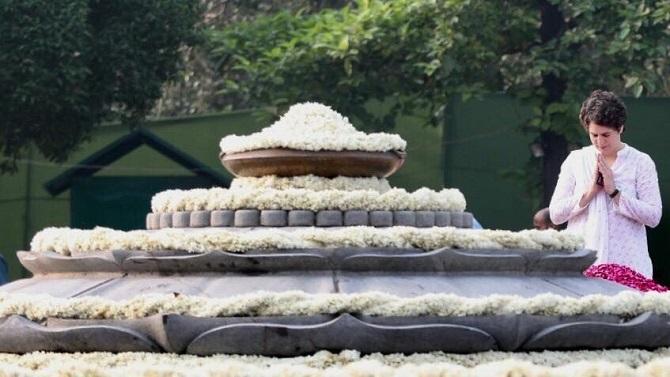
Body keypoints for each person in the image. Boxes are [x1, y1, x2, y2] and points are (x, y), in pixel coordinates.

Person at [549, 90, 662, 278]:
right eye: (594, 135)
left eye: (606, 135)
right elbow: (555, 214)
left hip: (629, 268)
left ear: (620, 128)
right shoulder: (576, 160)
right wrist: (590, 192)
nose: (599, 142)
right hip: (583, 268)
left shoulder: (641, 162)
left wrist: (615, 193)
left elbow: (653, 216)